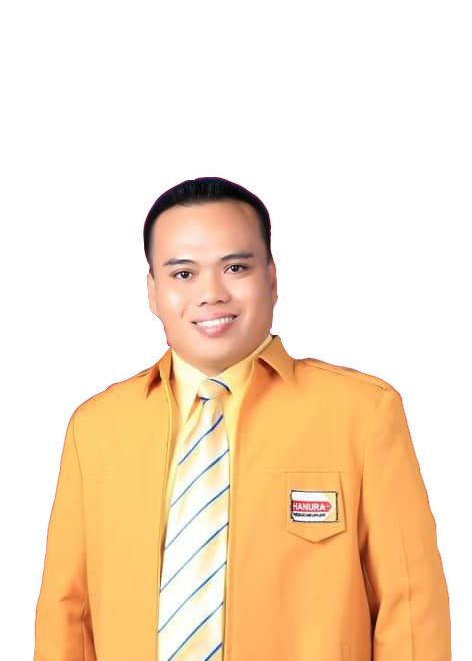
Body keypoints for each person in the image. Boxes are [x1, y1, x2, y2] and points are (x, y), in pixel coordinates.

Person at [33, 177, 451, 660]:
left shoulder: (361, 413)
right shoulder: (97, 429)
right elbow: (67, 613)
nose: (211, 294)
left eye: (235, 267)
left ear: (271, 279)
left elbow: (410, 605)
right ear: (153, 292)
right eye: (183, 274)